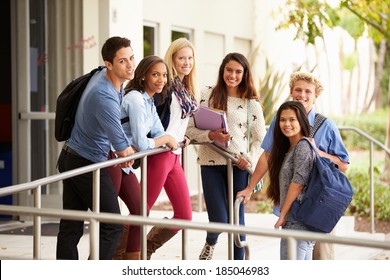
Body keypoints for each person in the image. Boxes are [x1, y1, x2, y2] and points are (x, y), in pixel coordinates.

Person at [237, 71, 350, 260]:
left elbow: (343, 165)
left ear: (316, 96)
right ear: (291, 91)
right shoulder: (282, 120)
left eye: (308, 91)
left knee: (320, 259)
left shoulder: (326, 126)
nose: (302, 95)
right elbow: (268, 155)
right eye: (298, 90)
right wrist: (250, 187)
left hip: (320, 205)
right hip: (295, 208)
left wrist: (317, 151)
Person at [56, 36, 135, 260]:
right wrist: (126, 153)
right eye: (122, 61)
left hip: (73, 156)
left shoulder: (105, 76)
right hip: (86, 163)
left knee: (71, 226)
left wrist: (124, 152)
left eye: (131, 58)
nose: (130, 65)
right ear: (108, 64)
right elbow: (122, 148)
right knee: (112, 225)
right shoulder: (104, 95)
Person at [186, 52, 266, 260]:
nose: (233, 75)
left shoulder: (251, 103)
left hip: (238, 166)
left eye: (238, 71)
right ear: (222, 70)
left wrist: (249, 158)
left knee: (237, 222)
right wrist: (209, 135)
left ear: (244, 74)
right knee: (220, 219)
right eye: (229, 70)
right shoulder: (206, 94)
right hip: (210, 163)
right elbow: (189, 130)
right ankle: (211, 242)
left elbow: (261, 140)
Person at [109, 55, 178, 260]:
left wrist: (164, 137)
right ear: (143, 76)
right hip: (111, 160)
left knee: (140, 211)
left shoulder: (148, 101)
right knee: (108, 221)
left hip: (127, 163)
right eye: (155, 74)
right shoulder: (136, 99)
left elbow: (157, 131)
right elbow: (142, 142)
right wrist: (166, 138)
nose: (161, 80)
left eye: (164, 75)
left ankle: (132, 262)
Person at [145, 38, 199, 259]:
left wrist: (182, 137)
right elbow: (152, 120)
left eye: (189, 57)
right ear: (172, 59)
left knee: (185, 215)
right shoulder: (165, 87)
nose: (186, 62)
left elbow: (180, 120)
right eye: (181, 58)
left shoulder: (186, 88)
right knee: (141, 210)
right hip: (159, 155)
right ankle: (115, 255)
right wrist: (164, 138)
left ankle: (145, 249)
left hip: (175, 155)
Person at [269, 101, 316, 259]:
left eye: (292, 120)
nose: (286, 124)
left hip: (298, 221)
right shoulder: (290, 147)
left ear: (301, 121)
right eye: (282, 120)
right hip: (297, 221)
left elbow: (297, 183)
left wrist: (282, 215)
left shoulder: (302, 146)